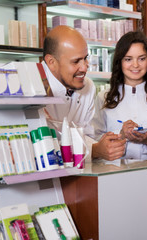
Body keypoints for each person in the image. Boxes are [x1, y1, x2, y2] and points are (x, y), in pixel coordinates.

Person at [92, 31, 147, 160]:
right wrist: (121, 135)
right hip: (113, 172)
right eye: (128, 59)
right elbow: (93, 140)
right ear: (119, 62)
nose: (135, 65)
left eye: (142, 58)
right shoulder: (104, 97)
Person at [42, 25, 126, 161]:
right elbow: (39, 146)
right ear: (51, 62)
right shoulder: (33, 89)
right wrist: (95, 150)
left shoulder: (87, 86)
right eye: (76, 61)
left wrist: (103, 145)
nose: (84, 67)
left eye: (85, 58)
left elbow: (85, 134)